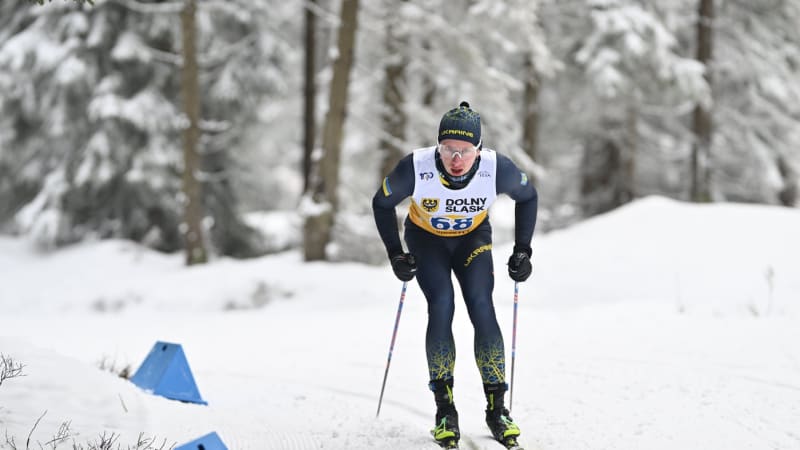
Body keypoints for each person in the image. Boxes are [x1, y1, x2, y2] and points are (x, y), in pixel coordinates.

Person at [372, 101, 538, 449]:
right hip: (426, 240)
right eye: (448, 149)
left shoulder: (497, 169)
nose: (456, 159)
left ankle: (497, 409)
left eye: (465, 150)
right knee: (442, 304)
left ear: (479, 149)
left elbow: (528, 196)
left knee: (481, 305)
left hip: (471, 240)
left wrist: (523, 250)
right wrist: (395, 255)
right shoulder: (415, 167)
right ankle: (445, 410)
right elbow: (382, 203)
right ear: (438, 146)